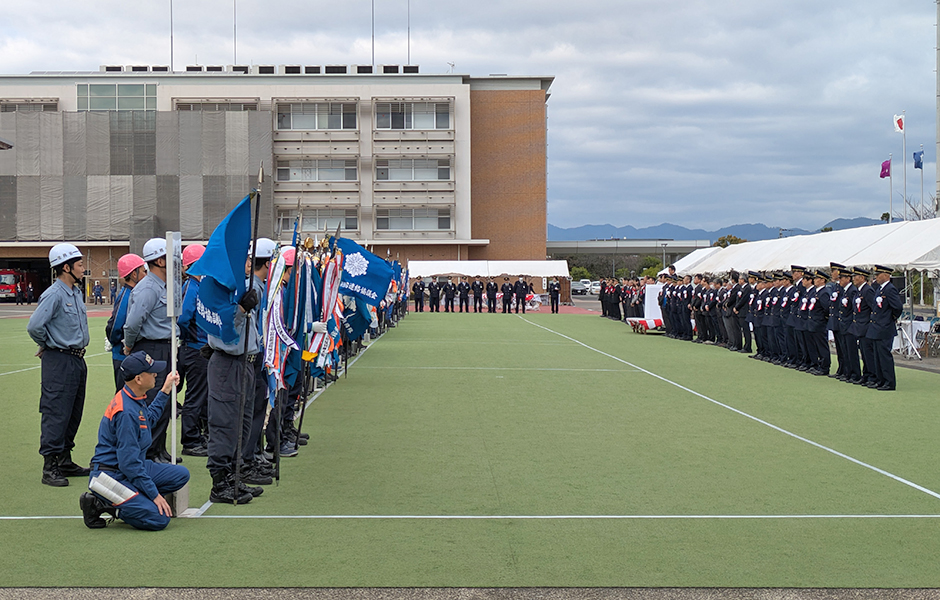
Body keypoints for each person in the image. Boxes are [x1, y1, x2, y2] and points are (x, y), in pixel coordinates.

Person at [79, 353, 189, 530]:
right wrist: (154, 495)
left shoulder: (133, 397)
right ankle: (100, 504)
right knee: (159, 519)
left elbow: (149, 419)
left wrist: (165, 390)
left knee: (181, 475)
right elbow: (129, 464)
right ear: (138, 379)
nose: (155, 374)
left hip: (126, 468)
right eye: (151, 372)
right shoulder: (126, 412)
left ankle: (135, 500)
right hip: (110, 475)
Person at [27, 243, 91, 487]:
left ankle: (64, 459)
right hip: (60, 360)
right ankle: (50, 466)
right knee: (56, 412)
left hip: (76, 359)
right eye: (80, 265)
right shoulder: (54, 294)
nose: (83, 268)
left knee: (73, 412)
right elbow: (35, 326)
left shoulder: (74, 292)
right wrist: (49, 343)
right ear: (66, 267)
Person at [205, 246, 264, 505]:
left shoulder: (240, 287)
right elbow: (223, 326)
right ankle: (219, 482)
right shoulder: (218, 288)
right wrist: (240, 309)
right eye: (245, 259)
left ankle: (234, 474)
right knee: (225, 422)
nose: (249, 263)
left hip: (245, 363)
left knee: (242, 423)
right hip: (228, 363)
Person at [122, 238, 178, 464]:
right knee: (154, 398)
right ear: (160, 261)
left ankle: (159, 448)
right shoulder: (148, 288)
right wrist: (129, 345)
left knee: (166, 398)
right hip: (152, 347)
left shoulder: (165, 285)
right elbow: (133, 323)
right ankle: (150, 453)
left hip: (166, 346)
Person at [177, 244, 209, 457]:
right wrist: (190, 337)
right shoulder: (192, 286)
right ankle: (190, 440)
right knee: (195, 396)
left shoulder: (195, 285)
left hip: (197, 348)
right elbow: (183, 318)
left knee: (200, 395)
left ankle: (197, 435)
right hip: (195, 349)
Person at [108, 253, 146, 392]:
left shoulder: (133, 293)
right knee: (125, 395)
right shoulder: (127, 296)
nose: (146, 275)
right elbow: (116, 326)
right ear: (134, 274)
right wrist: (116, 342)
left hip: (129, 355)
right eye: (143, 271)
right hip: (122, 355)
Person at [865, 265, 903, 391]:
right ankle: (880, 380)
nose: (876, 277)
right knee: (877, 356)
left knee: (884, 356)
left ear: (886, 275)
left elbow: (897, 307)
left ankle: (889, 381)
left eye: (878, 275)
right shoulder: (880, 289)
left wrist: (890, 318)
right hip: (877, 327)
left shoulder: (890, 289)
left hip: (884, 327)